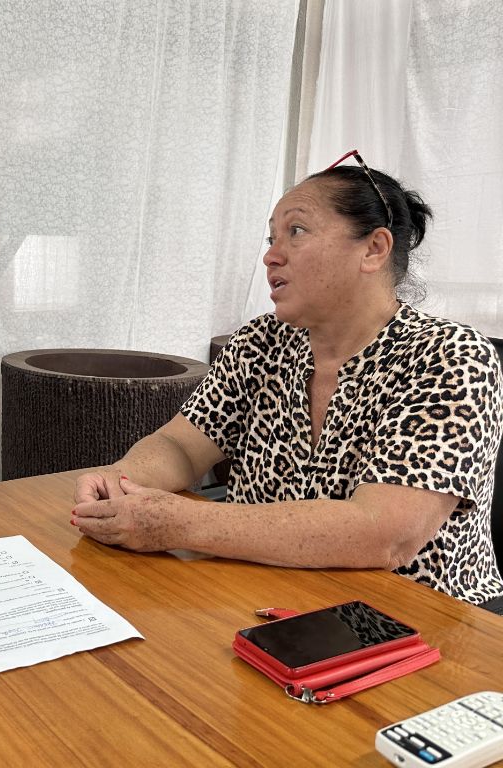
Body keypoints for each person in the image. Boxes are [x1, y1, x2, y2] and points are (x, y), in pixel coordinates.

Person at [72, 151, 503, 604]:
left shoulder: (450, 357)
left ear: (374, 249)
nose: (270, 256)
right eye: (271, 237)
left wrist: (179, 524)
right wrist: (118, 483)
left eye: (295, 232)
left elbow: (385, 535)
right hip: (267, 600)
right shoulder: (260, 343)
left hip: (412, 623)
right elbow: (180, 445)